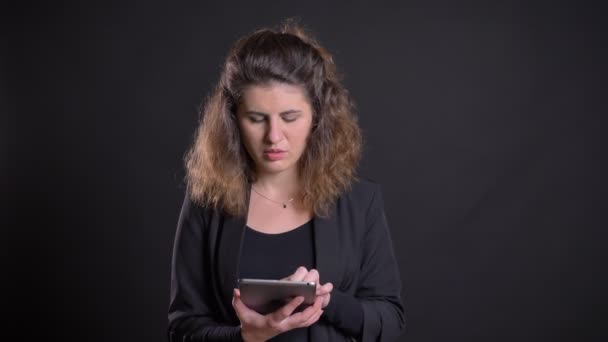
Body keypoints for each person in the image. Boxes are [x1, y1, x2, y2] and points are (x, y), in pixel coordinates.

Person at [167, 19, 405, 342]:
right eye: (256, 118)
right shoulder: (206, 204)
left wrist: (327, 302)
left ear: (317, 116)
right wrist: (245, 337)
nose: (274, 137)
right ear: (233, 118)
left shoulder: (361, 202)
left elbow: (390, 322)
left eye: (290, 117)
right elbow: (182, 330)